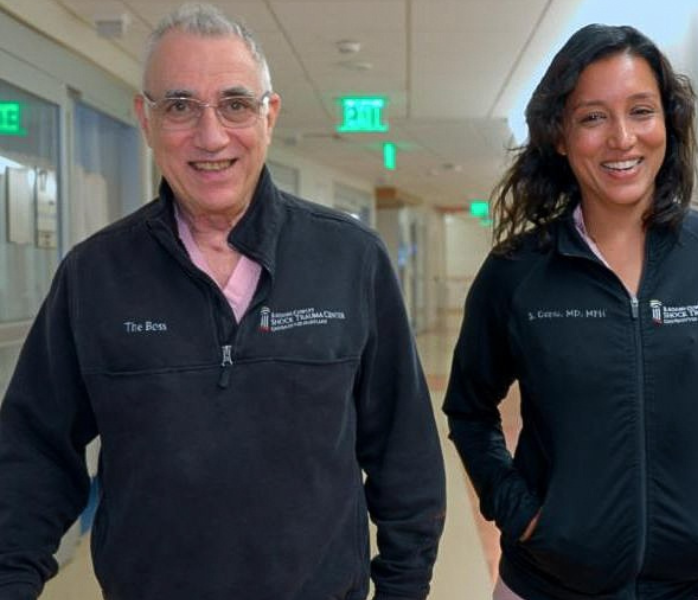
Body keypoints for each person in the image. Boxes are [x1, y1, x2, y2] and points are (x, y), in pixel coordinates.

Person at [0, 4, 445, 600]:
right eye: (180, 106)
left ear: (269, 115)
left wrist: (403, 589)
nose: (211, 137)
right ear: (145, 119)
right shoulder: (94, 274)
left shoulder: (351, 260)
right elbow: (32, 453)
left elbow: (405, 453)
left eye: (235, 104)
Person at [443, 23, 698, 600]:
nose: (622, 138)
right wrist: (521, 513)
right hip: (549, 584)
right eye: (593, 117)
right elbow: (469, 411)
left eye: (641, 111)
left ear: (668, 124)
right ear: (560, 136)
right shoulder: (517, 272)